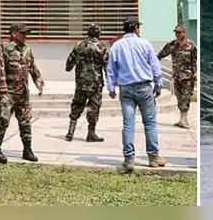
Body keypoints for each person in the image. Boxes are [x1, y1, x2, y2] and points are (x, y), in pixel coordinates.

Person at [107, 15, 165, 173]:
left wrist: (111, 88)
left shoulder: (116, 46)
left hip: (125, 89)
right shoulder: (144, 44)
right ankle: (153, 158)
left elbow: (111, 69)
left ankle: (129, 159)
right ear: (135, 28)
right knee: (150, 123)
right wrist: (158, 84)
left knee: (128, 124)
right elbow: (155, 66)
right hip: (144, 88)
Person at [0, 21, 45, 164]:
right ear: (14, 34)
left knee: (25, 122)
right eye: (23, 33)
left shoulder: (27, 49)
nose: (25, 36)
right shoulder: (4, 48)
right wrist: (3, 90)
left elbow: (32, 66)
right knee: (3, 120)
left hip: (23, 94)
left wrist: (38, 81)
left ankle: (27, 150)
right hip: (9, 93)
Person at [64, 22, 108, 142]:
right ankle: (91, 133)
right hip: (95, 83)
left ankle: (70, 132)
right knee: (94, 107)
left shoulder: (79, 45)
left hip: (81, 82)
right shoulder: (102, 47)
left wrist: (70, 67)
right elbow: (107, 66)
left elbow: (69, 63)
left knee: (77, 104)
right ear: (99, 33)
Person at [157, 25, 198, 129]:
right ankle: (182, 119)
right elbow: (161, 54)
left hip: (187, 77)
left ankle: (184, 119)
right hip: (176, 76)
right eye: (176, 32)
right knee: (179, 97)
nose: (177, 34)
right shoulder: (172, 45)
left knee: (186, 98)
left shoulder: (191, 45)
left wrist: (195, 73)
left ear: (184, 33)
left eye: (179, 32)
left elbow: (194, 61)